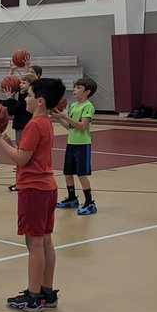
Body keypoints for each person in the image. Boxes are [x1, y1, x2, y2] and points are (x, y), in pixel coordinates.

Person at [0, 77, 66, 312]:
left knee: (35, 244)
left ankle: (33, 296)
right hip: (47, 187)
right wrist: (8, 141)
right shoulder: (46, 122)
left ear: (40, 101)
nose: (26, 99)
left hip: (34, 189)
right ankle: (47, 292)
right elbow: (27, 152)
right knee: (45, 241)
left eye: (29, 95)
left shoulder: (34, 124)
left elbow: (21, 159)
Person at [53, 76, 98, 215]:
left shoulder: (88, 106)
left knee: (81, 174)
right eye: (75, 87)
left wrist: (65, 117)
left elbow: (82, 126)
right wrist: (59, 118)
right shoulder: (73, 106)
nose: (74, 90)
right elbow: (70, 127)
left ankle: (90, 203)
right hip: (71, 143)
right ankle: (72, 198)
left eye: (78, 88)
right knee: (67, 173)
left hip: (82, 145)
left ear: (87, 92)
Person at [4, 70, 34, 191]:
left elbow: (14, 110)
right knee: (21, 156)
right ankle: (21, 181)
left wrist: (9, 99)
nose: (21, 84)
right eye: (20, 82)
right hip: (21, 126)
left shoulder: (26, 98)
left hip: (24, 126)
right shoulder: (23, 96)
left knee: (20, 156)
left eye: (24, 83)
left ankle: (21, 182)